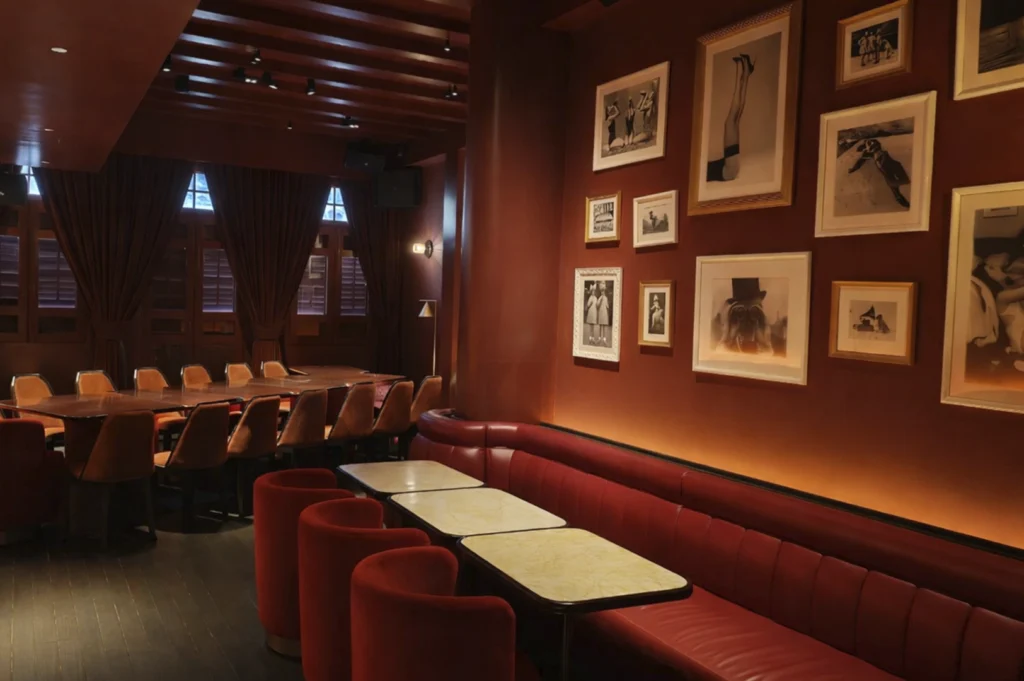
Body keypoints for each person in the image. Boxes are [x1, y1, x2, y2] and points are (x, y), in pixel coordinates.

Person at [707, 53, 754, 183]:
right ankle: (744, 72)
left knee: (735, 119)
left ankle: (745, 73)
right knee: (733, 120)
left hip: (729, 167)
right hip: (728, 169)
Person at [848, 138, 911, 209]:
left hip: (893, 173)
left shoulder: (878, 154)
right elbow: (860, 161)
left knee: (900, 191)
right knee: (897, 193)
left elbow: (861, 160)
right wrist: (853, 169)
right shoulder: (873, 154)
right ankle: (907, 205)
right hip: (890, 176)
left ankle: (907, 204)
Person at [597, 282, 611, 346]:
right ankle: (600, 338)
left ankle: (604, 339)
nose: (602, 293)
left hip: (605, 313)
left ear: (604, 292)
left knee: (604, 326)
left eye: (603, 292)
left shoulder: (606, 298)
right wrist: (600, 300)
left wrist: (608, 306)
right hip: (600, 313)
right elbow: (597, 305)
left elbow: (607, 306)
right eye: (602, 292)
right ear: (601, 292)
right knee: (600, 326)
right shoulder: (600, 298)